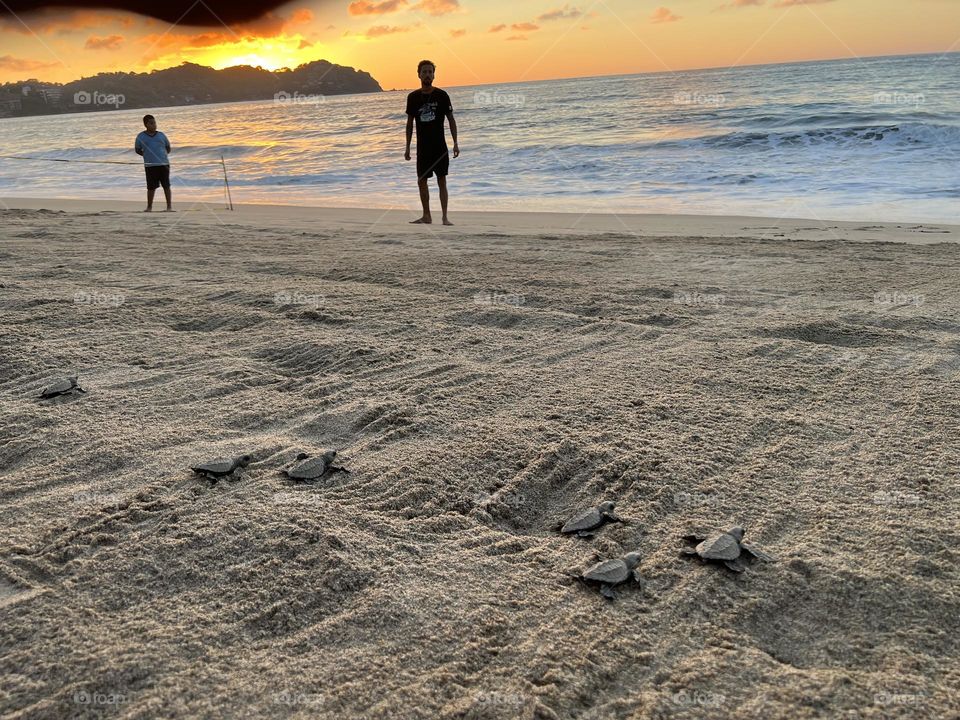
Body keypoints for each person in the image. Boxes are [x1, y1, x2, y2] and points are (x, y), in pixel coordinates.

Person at [405, 60, 459, 225]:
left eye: (430, 72)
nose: (427, 74)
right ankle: (426, 215)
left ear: (434, 75)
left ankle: (444, 217)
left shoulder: (442, 95)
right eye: (424, 72)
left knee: (441, 180)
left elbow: (451, 119)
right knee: (422, 181)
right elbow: (409, 124)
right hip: (422, 147)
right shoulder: (413, 97)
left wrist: (456, 143)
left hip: (439, 146)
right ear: (419, 74)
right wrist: (407, 147)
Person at [135, 115, 173, 212]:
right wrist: (147, 156)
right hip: (150, 165)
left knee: (166, 186)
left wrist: (162, 156)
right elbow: (138, 149)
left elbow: (168, 147)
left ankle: (169, 207)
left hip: (163, 164)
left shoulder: (161, 135)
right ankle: (149, 207)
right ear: (146, 124)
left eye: (154, 123)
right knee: (151, 187)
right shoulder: (141, 136)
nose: (154, 125)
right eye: (151, 123)